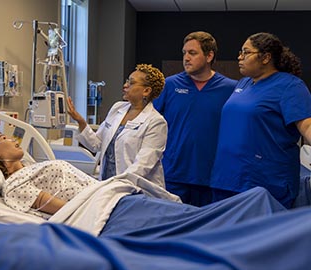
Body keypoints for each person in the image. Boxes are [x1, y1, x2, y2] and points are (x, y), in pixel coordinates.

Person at [210, 32, 311, 208]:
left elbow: (307, 126)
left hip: (263, 181)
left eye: (246, 52)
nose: (239, 57)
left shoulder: (291, 86)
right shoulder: (243, 84)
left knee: (261, 234)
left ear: (265, 57)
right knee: (225, 233)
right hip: (226, 177)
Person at [153, 31, 237, 206]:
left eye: (192, 53)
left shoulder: (230, 89)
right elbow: (150, 123)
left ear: (209, 56)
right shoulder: (169, 85)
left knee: (207, 229)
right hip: (174, 174)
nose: (186, 58)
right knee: (172, 227)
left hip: (212, 177)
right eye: (184, 53)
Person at [66, 64, 167, 188]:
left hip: (136, 189)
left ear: (146, 91)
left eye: (131, 83)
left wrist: (116, 185)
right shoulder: (117, 108)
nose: (125, 85)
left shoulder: (155, 122)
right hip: (108, 185)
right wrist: (80, 121)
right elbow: (96, 144)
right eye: (126, 81)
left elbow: (142, 166)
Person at [0, 130, 97, 216]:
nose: (13, 140)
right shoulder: (15, 184)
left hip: (99, 191)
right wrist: (93, 212)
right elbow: (67, 210)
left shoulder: (29, 168)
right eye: (4, 138)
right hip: (94, 204)